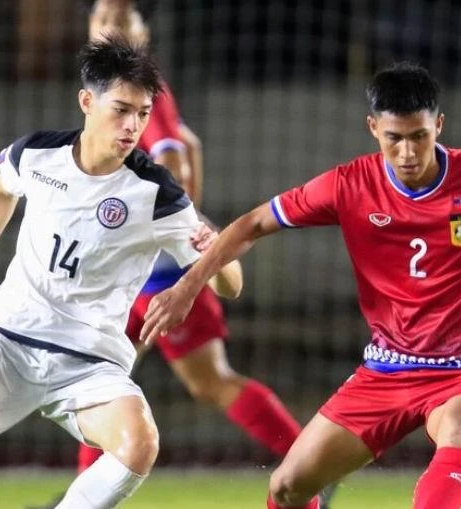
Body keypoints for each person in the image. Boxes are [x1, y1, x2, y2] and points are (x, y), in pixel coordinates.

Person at [138, 62, 461, 509]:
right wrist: (189, 285)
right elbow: (253, 223)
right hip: (386, 370)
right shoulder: (349, 185)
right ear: (374, 129)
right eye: (395, 139)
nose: (409, 152)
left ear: (439, 124)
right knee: (287, 486)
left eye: (420, 136)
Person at [0, 37, 238, 509]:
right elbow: (2, 191)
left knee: (139, 443)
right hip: (9, 339)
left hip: (89, 362)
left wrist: (208, 257)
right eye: (121, 110)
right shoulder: (37, 154)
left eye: (143, 114)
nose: (132, 126)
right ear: (86, 101)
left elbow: (233, 282)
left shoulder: (156, 192)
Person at [75, 0, 308, 486]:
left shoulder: (145, 96)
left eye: (119, 20)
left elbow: (175, 158)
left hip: (153, 271)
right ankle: (309, 464)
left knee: (152, 379)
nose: (107, 29)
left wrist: (168, 222)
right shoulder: (125, 93)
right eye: (101, 19)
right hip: (145, 268)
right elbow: (191, 145)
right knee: (109, 379)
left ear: (141, 34)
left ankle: (310, 463)